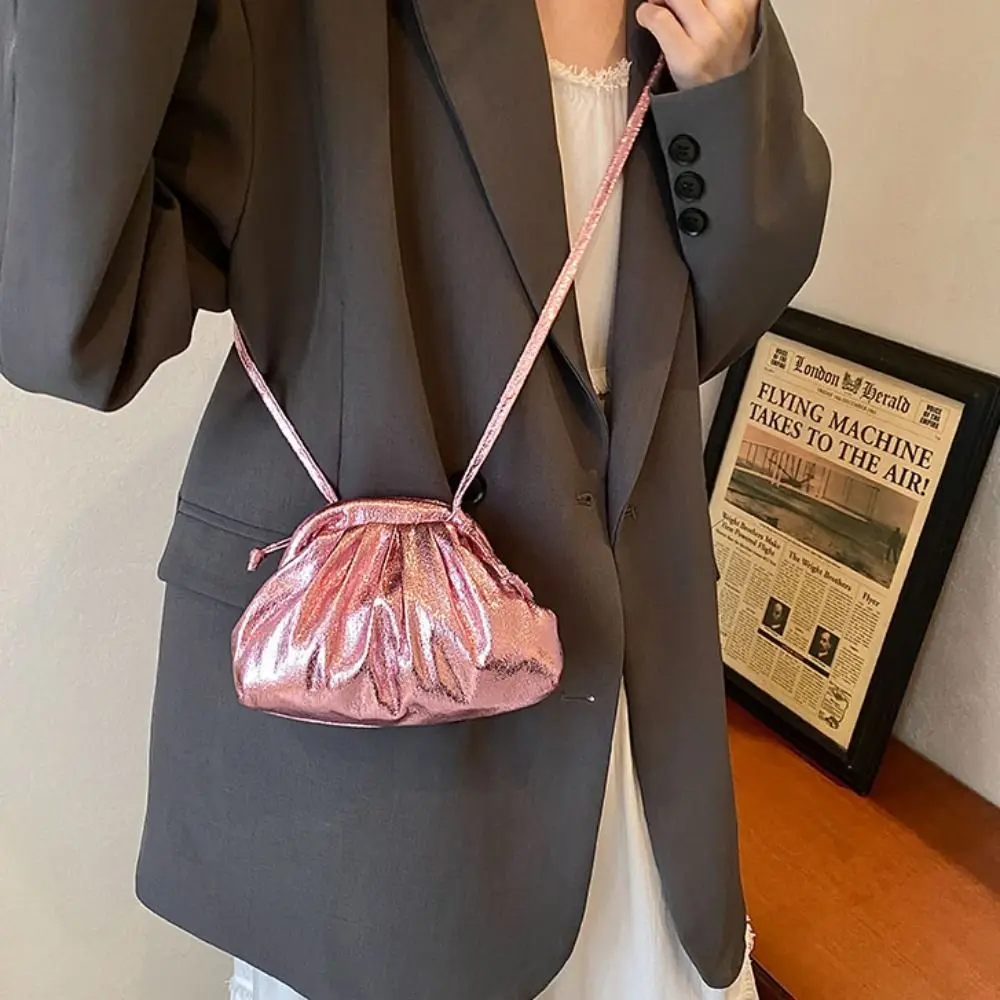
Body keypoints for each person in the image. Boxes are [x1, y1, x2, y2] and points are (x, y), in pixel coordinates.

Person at [0, 2, 830, 999]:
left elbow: (718, 321)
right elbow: (69, 324)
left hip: (642, 727)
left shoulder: (691, 12)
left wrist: (725, 85)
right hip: (386, 758)